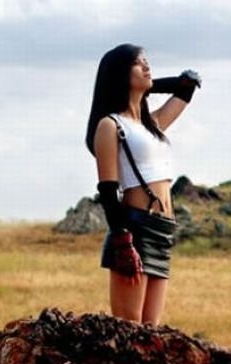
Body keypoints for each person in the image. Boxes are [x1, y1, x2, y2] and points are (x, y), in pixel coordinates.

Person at [85, 43, 201, 325]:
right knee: (129, 332)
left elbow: (186, 89)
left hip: (162, 230)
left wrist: (164, 82)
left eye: (147, 61)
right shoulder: (110, 126)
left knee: (151, 334)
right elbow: (108, 191)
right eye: (139, 64)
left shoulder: (153, 125)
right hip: (134, 230)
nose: (147, 67)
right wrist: (123, 242)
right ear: (120, 74)